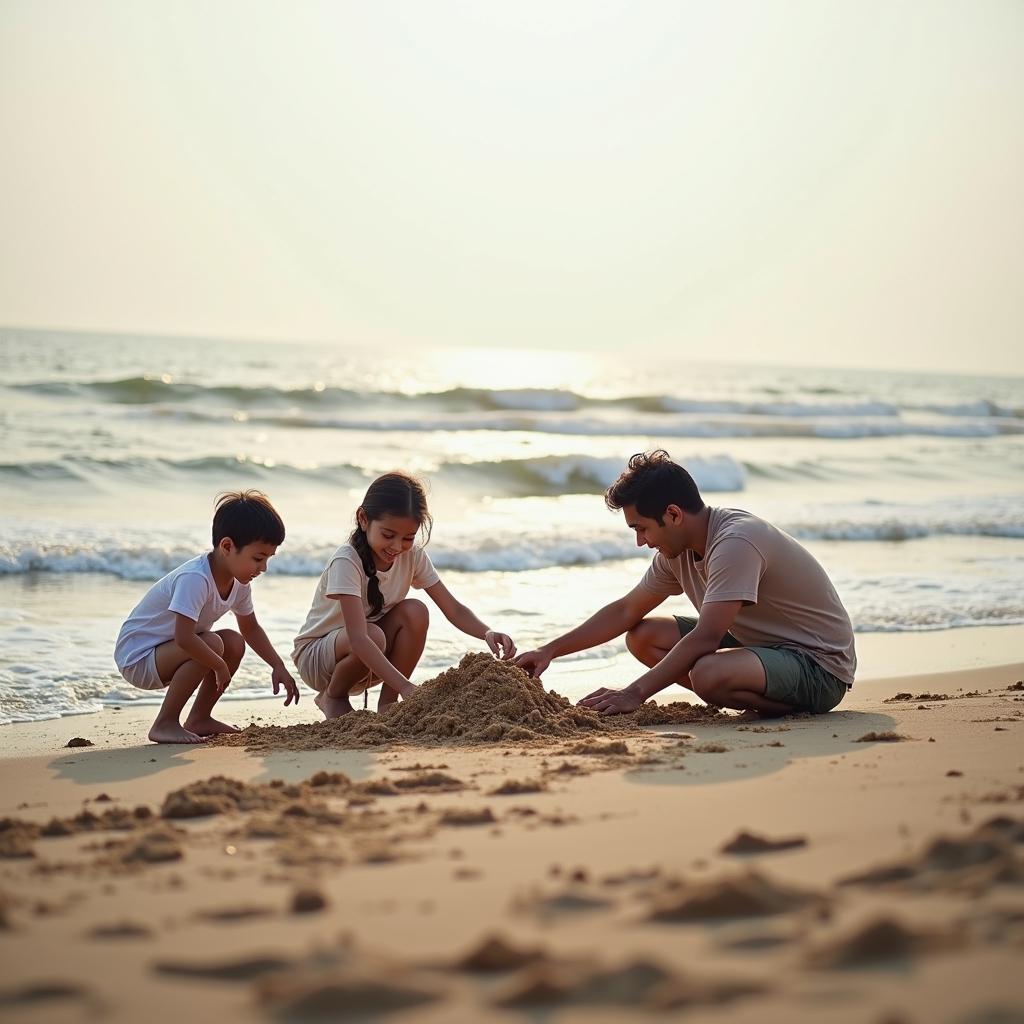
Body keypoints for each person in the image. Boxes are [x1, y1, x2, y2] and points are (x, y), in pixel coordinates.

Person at [515, 450, 856, 718]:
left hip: (819, 665)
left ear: (674, 515)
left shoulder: (736, 541)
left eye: (641, 528)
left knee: (707, 674)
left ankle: (777, 703)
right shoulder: (676, 551)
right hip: (762, 644)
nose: (641, 541)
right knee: (643, 635)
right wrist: (549, 651)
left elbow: (707, 636)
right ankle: (731, 688)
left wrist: (633, 693)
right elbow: (625, 610)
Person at [293, 472, 516, 719]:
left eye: (408, 538)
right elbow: (358, 638)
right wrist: (407, 687)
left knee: (416, 611)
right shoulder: (347, 560)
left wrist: (486, 632)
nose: (397, 547)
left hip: (370, 657)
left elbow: (453, 609)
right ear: (363, 519)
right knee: (372, 634)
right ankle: (333, 696)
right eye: (388, 535)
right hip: (318, 660)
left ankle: (388, 702)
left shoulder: (412, 557)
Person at [114, 491, 299, 744]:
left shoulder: (240, 583)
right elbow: (184, 638)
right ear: (226, 546)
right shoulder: (196, 578)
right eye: (258, 558)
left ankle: (199, 718)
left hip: (168, 653)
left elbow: (251, 628)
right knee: (212, 644)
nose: (263, 568)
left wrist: (277, 665)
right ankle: (164, 723)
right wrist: (219, 665)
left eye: (268, 559)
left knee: (233, 641)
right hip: (139, 658)